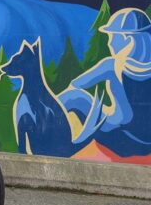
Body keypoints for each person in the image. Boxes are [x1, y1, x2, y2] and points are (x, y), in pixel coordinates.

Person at [58, 8, 151, 158]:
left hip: (119, 137)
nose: (109, 42)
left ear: (128, 40)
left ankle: (54, 141)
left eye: (113, 37)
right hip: (146, 144)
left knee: (72, 96)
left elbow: (76, 85)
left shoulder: (112, 66)